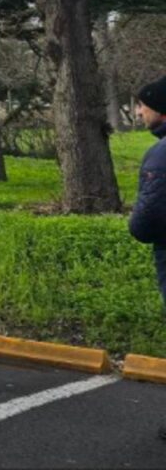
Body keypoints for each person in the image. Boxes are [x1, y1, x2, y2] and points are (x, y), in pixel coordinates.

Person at [126, 76, 166, 441]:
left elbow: (149, 217)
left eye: (143, 105)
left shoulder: (161, 153)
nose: (139, 112)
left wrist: (136, 226)